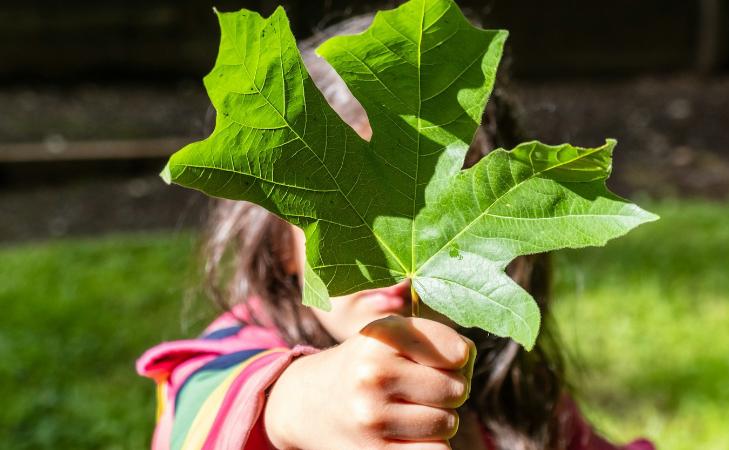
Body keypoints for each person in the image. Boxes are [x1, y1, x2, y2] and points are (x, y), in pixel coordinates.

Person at [137, 15, 655, 450]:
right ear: (282, 244)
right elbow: (199, 410)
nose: (395, 243)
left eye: (438, 209)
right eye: (362, 214)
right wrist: (303, 402)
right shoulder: (237, 351)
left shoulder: (512, 391)